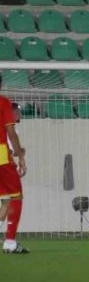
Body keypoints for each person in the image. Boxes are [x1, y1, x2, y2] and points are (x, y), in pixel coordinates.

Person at [0, 80, 27, 254]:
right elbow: (10, 131)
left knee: (6, 199)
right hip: (1, 156)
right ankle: (10, 242)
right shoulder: (3, 102)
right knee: (16, 197)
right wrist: (21, 156)